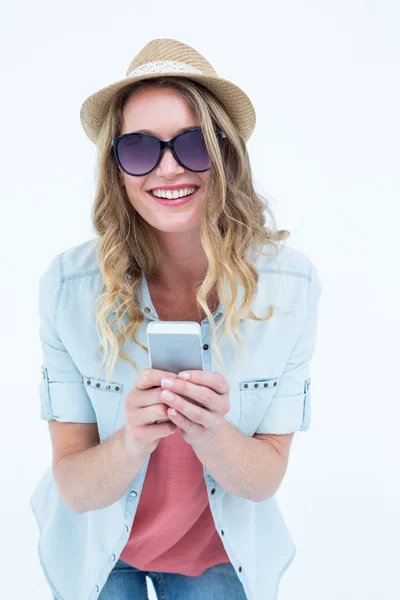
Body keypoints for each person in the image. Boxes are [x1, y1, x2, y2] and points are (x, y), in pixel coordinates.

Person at [30, 38, 322, 600]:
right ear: (117, 170)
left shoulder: (291, 287)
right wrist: (132, 440)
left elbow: (264, 480)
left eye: (193, 145)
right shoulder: (68, 289)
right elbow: (74, 486)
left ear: (226, 155)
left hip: (220, 557)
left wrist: (211, 431)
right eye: (139, 149)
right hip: (98, 553)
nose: (167, 167)